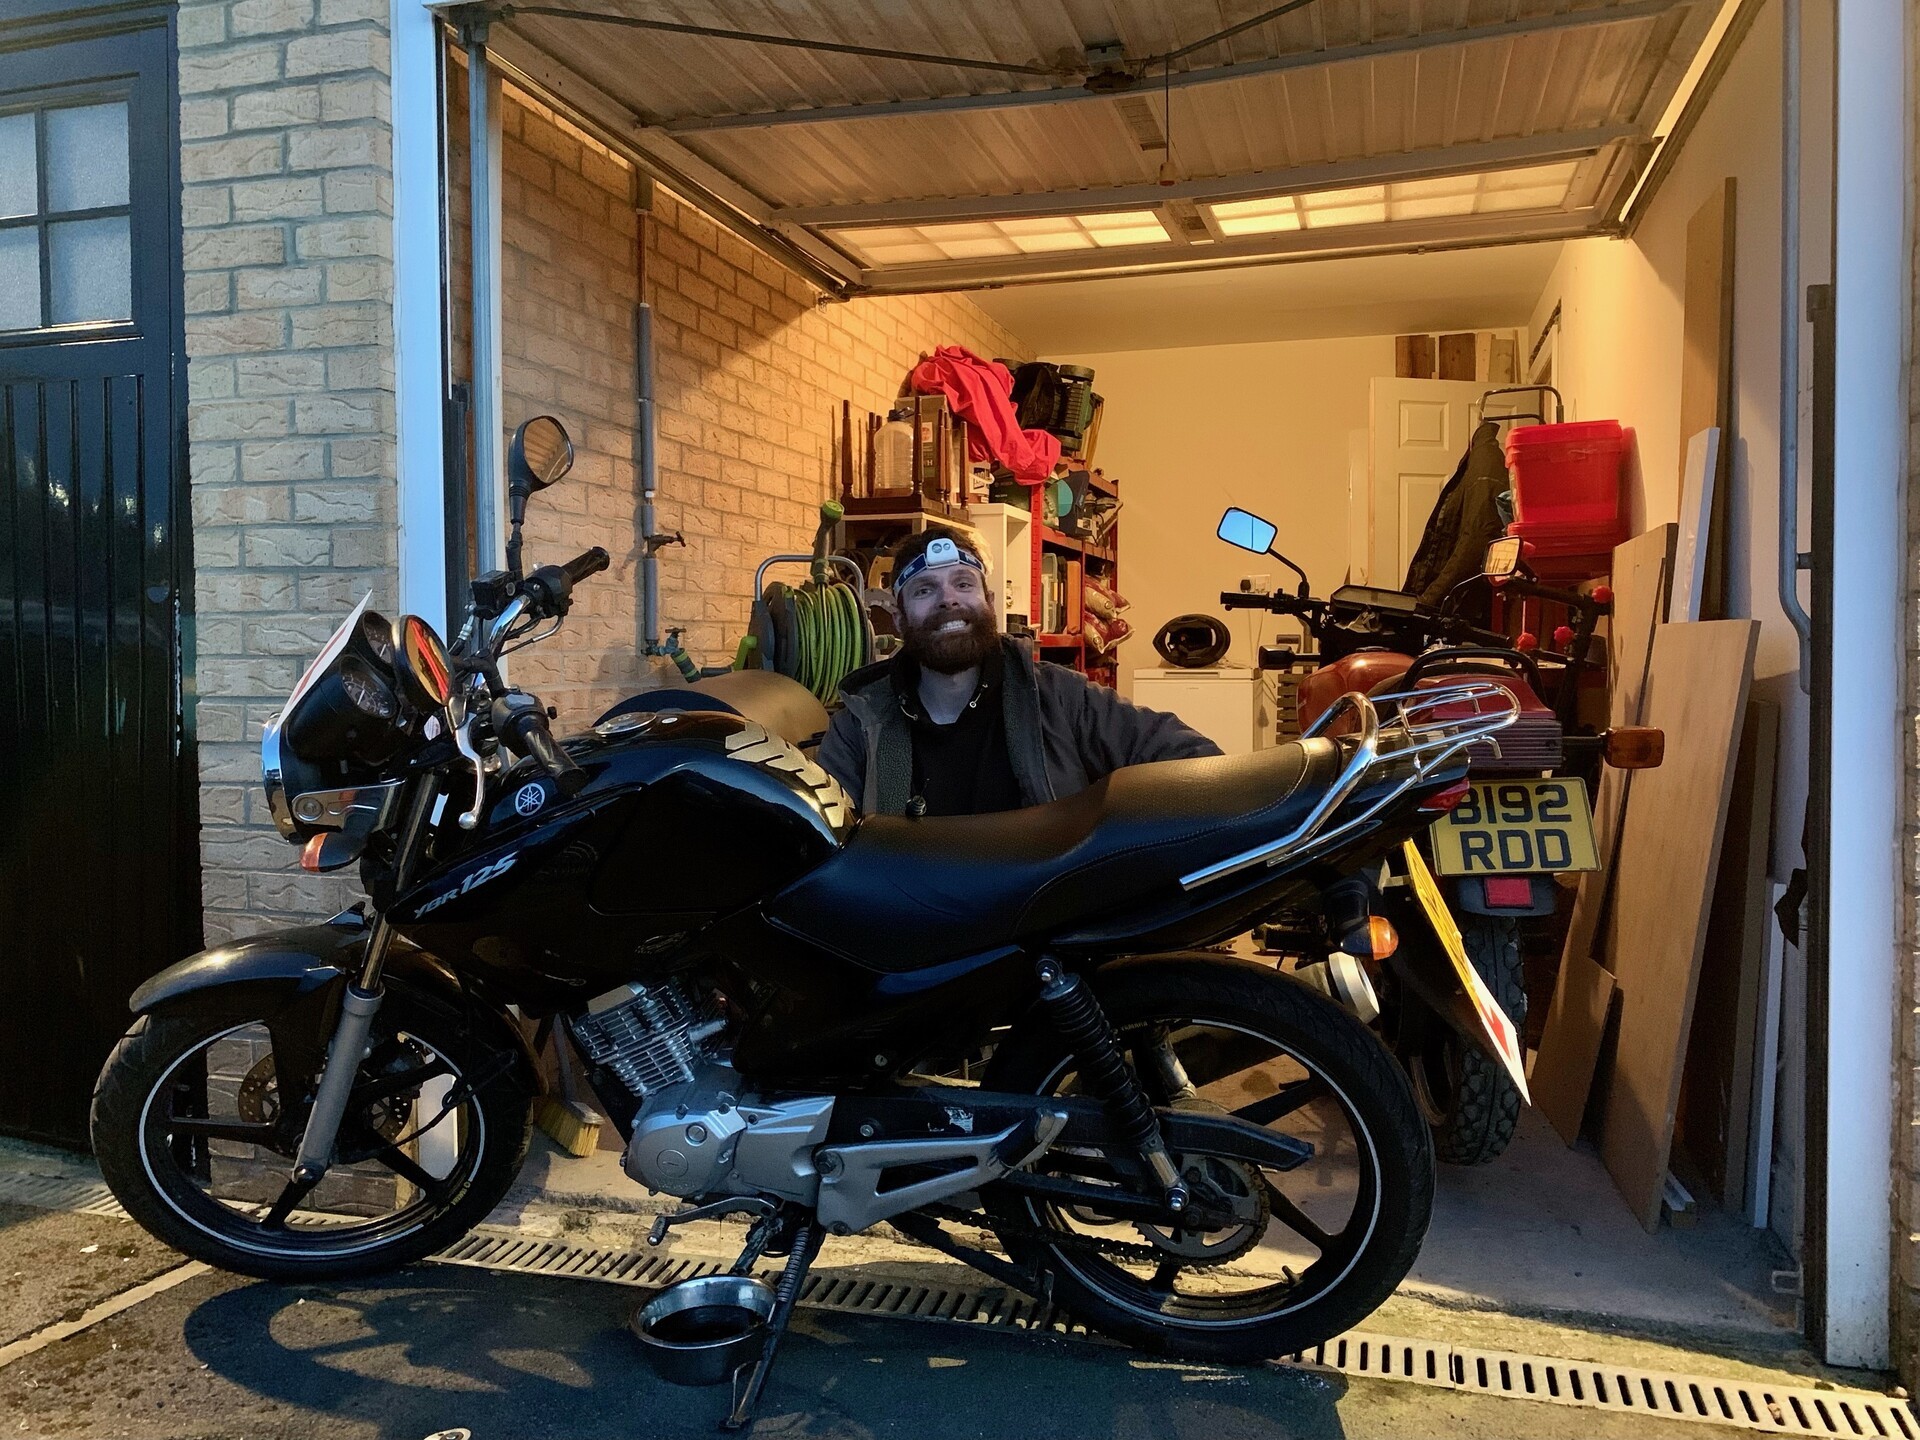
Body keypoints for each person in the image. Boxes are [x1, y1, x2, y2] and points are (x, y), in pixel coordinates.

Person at [818, 526, 1221, 817]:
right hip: (920, 926)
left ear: (989, 602)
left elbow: (1193, 760)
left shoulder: (1060, 697)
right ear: (899, 618)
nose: (949, 600)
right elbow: (822, 842)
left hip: (1038, 927)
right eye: (925, 590)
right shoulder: (859, 723)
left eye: (963, 584)